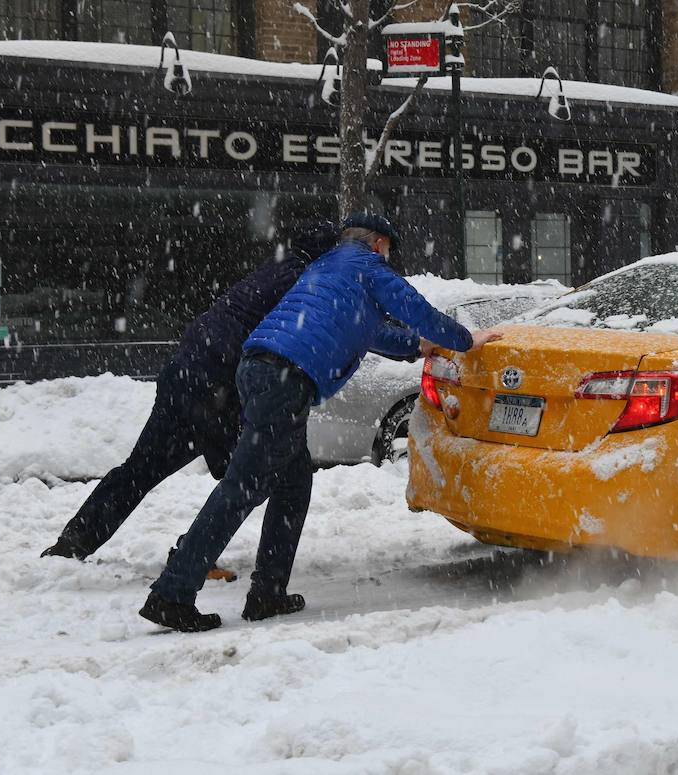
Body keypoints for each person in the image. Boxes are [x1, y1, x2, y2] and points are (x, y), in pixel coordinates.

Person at [139, 212, 503, 632]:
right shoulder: (367, 266)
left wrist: (417, 347)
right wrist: (464, 339)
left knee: (293, 483)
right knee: (243, 487)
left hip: (259, 367)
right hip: (284, 377)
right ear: (379, 243)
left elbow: (367, 332)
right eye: (389, 249)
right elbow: (415, 308)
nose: (389, 257)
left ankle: (268, 593)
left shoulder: (328, 268)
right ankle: (173, 592)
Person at [41, 221, 340, 573]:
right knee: (252, 476)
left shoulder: (274, 268)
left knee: (141, 468)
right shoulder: (304, 284)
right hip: (218, 385)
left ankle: (73, 542)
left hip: (185, 371)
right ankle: (191, 555)